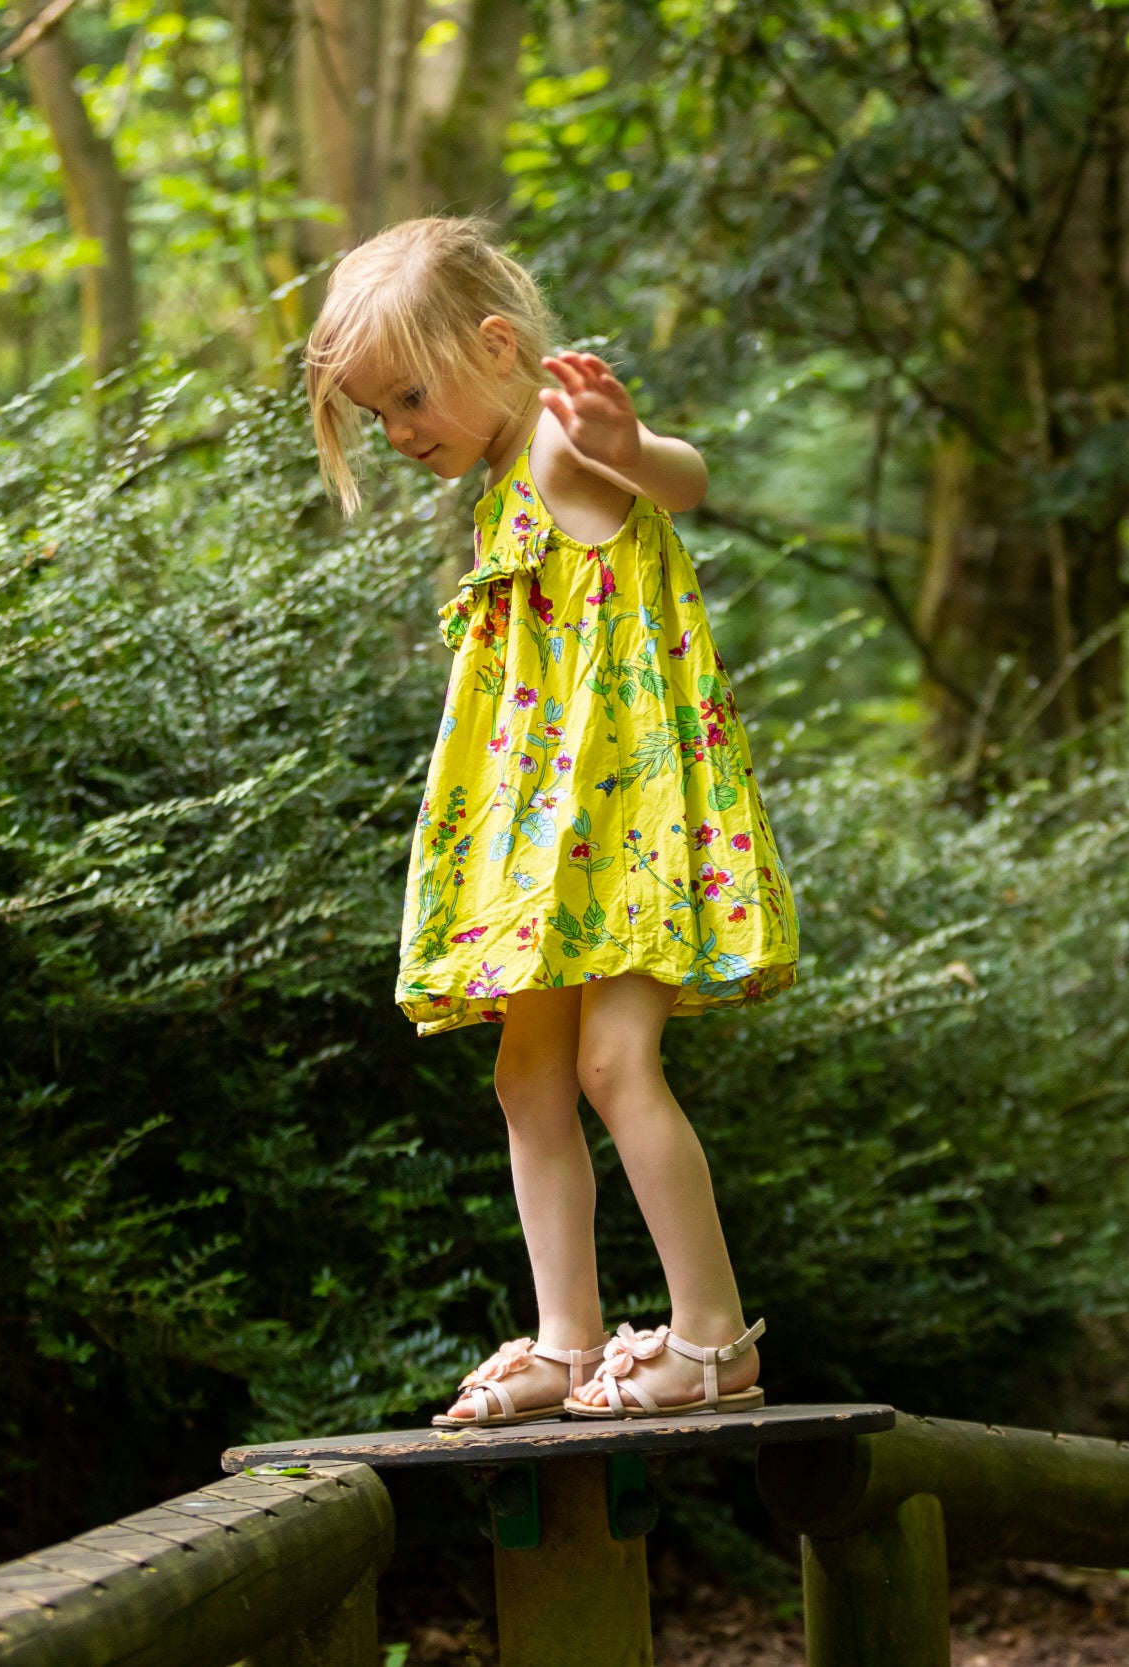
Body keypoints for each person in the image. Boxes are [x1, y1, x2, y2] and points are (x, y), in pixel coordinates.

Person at [304, 218, 797, 1424]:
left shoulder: (563, 443)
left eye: (409, 396)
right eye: (376, 414)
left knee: (611, 1062)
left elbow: (680, 477)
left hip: (621, 820)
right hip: (552, 834)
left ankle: (713, 1339)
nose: (399, 430)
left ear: (495, 345)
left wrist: (631, 445)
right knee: (527, 1076)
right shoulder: (498, 480)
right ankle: (568, 1342)